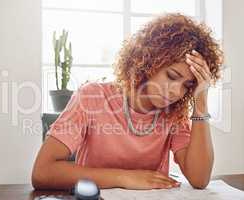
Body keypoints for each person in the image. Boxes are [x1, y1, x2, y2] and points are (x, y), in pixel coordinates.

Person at [32, 13, 223, 190]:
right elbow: (42, 172)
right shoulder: (92, 97)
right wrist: (124, 178)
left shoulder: (173, 113)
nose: (177, 92)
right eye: (172, 76)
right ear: (148, 62)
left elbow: (199, 179)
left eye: (187, 85)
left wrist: (201, 101)